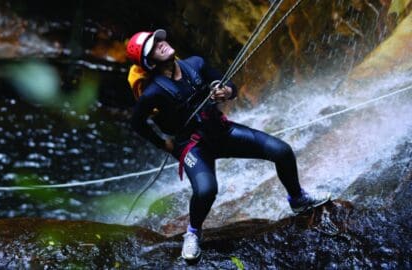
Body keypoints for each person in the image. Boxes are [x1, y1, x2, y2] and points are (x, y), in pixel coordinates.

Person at [125, 29, 330, 260]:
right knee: (207, 190)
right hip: (193, 146)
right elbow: (137, 123)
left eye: (160, 40)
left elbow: (227, 83)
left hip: (221, 131)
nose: (161, 44)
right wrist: (164, 143)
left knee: (281, 151)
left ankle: (298, 199)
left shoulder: (195, 64)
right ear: (148, 62)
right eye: (153, 47)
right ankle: (192, 233)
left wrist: (226, 91)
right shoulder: (153, 93)